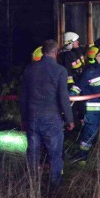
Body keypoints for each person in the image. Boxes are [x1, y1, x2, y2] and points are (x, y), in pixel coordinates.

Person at [19, 39, 75, 188]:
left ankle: (32, 184)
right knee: (55, 154)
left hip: (32, 118)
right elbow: (63, 97)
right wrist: (70, 119)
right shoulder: (60, 71)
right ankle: (55, 187)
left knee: (33, 153)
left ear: (43, 51)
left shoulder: (29, 70)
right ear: (56, 52)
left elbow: (23, 97)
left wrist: (24, 118)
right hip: (51, 118)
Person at [71, 45, 100, 163]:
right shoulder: (88, 73)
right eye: (99, 55)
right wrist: (69, 97)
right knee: (89, 134)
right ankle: (82, 156)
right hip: (94, 111)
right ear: (93, 58)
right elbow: (77, 88)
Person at [58, 31, 86, 125]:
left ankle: (80, 121)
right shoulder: (66, 56)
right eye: (76, 41)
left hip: (79, 83)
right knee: (73, 105)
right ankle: (69, 124)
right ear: (70, 43)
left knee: (81, 103)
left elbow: (88, 49)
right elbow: (68, 74)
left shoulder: (77, 51)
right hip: (72, 85)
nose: (78, 42)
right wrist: (72, 86)